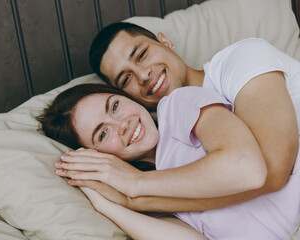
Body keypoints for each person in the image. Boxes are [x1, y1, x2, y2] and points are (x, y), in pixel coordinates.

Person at [55, 22, 300, 211]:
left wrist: (138, 191)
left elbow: (271, 173)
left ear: (165, 41)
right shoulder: (171, 145)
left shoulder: (241, 59)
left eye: (141, 55)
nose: (143, 75)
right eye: (126, 79)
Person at [37, 83, 300, 239]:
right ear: (98, 156)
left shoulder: (176, 106)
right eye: (103, 133)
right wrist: (103, 201)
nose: (123, 125)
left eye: (115, 106)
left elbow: (246, 169)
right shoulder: (147, 195)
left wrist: (135, 184)